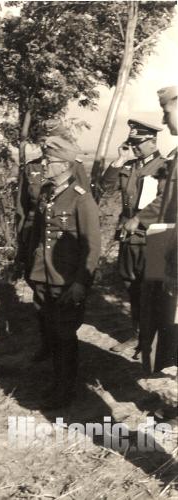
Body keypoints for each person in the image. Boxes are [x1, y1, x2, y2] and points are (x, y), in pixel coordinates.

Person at [28, 136, 101, 409]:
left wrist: (82, 282)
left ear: (65, 165)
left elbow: (92, 247)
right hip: (43, 276)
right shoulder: (48, 193)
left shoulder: (82, 200)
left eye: (50, 161)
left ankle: (65, 389)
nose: (45, 165)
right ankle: (57, 381)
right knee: (50, 331)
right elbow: (39, 236)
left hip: (66, 280)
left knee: (64, 334)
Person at [16, 121, 90, 362]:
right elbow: (22, 207)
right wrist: (22, 245)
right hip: (35, 240)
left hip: (62, 248)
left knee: (62, 318)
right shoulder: (32, 168)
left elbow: (82, 219)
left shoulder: (74, 175)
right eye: (43, 136)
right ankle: (47, 345)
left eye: (50, 136)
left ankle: (60, 363)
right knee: (41, 300)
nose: (45, 140)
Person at [100, 120, 167, 357]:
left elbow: (166, 201)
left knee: (154, 290)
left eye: (138, 143)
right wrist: (119, 161)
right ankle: (138, 335)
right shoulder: (129, 167)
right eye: (131, 142)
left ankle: (156, 341)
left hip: (154, 237)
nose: (134, 147)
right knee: (132, 286)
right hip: (129, 236)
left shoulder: (165, 167)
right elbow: (105, 188)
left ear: (152, 142)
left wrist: (139, 219)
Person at [124, 87, 177, 373]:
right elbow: (168, 201)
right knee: (161, 315)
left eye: (166, 111)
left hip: (173, 247)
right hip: (165, 240)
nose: (164, 119)